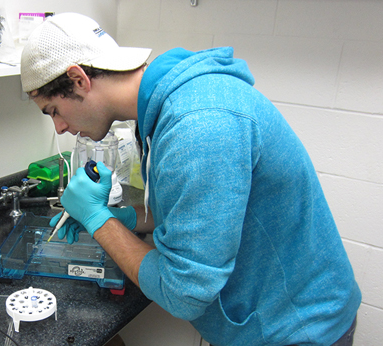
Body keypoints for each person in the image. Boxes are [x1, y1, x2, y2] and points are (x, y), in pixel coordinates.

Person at [20, 12, 361, 346]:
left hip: (296, 330)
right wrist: (125, 218)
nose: (60, 127)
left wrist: (98, 220)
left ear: (79, 80)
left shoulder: (197, 126)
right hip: (272, 315)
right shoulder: (167, 107)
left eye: (53, 110)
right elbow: (197, 215)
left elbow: (182, 292)